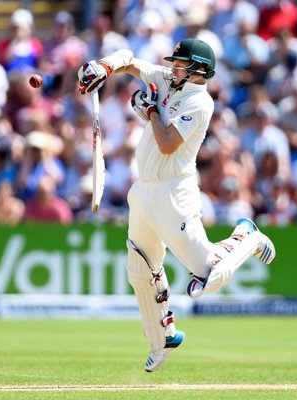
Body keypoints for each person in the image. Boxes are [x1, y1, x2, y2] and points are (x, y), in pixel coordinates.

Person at [77, 38, 276, 372]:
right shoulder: (169, 79)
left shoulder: (201, 103)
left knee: (209, 274)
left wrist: (151, 111)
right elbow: (130, 61)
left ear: (198, 70)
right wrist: (103, 67)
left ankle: (248, 235)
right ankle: (162, 339)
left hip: (174, 192)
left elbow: (168, 144)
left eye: (180, 64)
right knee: (140, 269)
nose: (173, 68)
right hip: (143, 190)